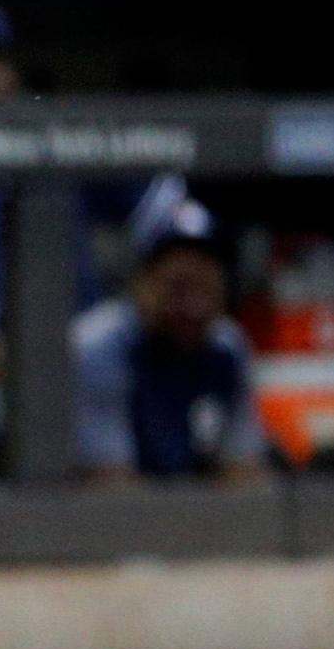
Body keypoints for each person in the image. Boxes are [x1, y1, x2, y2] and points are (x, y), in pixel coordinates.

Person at [74, 193, 265, 483]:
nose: (194, 305)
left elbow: (243, 474)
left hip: (188, 514)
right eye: (179, 288)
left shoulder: (228, 347)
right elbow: (110, 488)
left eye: (206, 287)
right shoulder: (97, 348)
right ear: (142, 283)